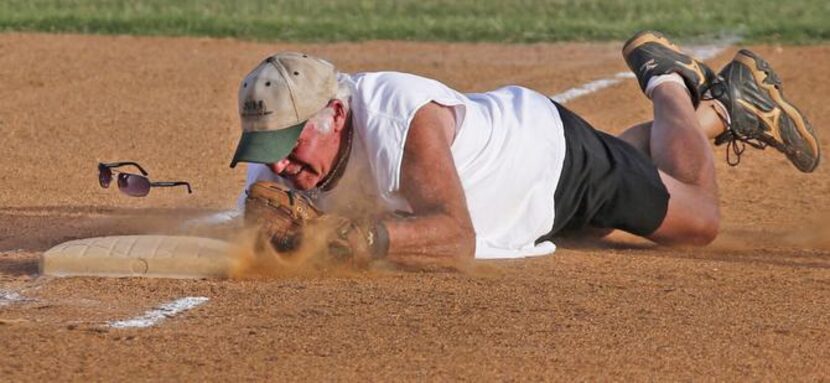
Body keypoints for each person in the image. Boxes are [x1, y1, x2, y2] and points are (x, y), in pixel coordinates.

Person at [229, 31, 820, 264]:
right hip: (523, 199)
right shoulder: (277, 158)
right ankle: (715, 115)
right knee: (622, 185)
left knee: (699, 220)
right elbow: (261, 208)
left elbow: (454, 234)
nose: (280, 164)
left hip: (554, 160)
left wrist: (363, 237)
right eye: (269, 147)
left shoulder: (401, 118)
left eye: (290, 144)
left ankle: (672, 82)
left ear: (335, 111)